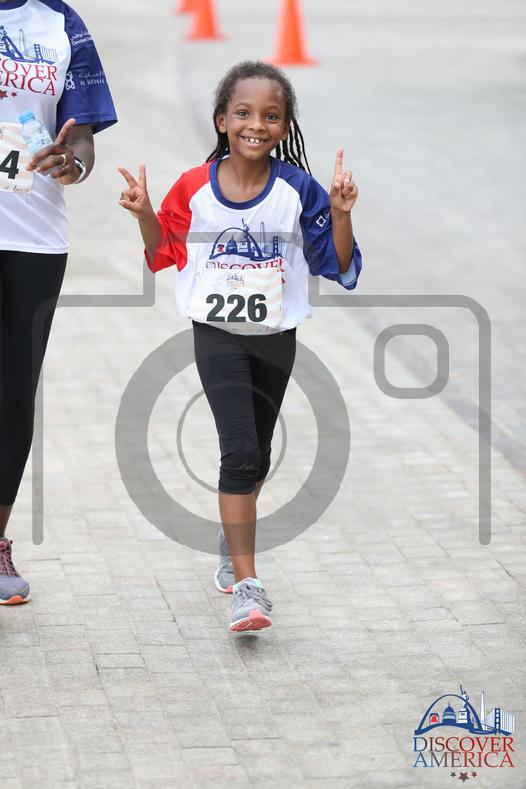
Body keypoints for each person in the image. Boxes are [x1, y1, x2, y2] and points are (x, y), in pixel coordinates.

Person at [118, 60, 361, 632]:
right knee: (241, 452)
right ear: (222, 120)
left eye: (271, 116)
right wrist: (145, 214)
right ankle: (248, 589)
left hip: (275, 336)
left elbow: (337, 263)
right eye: (244, 113)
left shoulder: (299, 190)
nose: (257, 124)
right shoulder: (193, 187)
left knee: (260, 454)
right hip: (217, 334)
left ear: (285, 125)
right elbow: (164, 252)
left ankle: (233, 539)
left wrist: (341, 215)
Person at [0, 0, 117, 604]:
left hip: (33, 238)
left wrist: (73, 164)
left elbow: (83, 140)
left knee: (11, 393)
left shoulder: (62, 24)